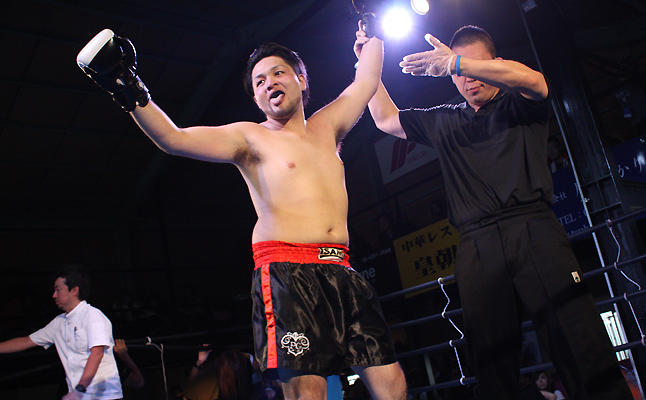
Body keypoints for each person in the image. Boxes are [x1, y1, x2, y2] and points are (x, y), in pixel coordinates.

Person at [76, 20, 406, 400]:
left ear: (301, 79)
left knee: (392, 385)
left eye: (278, 73)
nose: (269, 83)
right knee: (308, 393)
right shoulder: (251, 136)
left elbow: (366, 82)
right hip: (289, 273)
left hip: (342, 268)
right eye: (259, 82)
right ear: (256, 99)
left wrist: (373, 23)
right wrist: (127, 86)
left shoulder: (327, 126)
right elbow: (173, 138)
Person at [363, 25, 632, 399]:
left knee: (577, 339)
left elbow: (534, 80)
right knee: (490, 362)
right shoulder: (445, 119)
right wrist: (368, 62)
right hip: (476, 245)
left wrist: (457, 62)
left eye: (474, 66)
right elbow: (384, 118)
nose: (468, 77)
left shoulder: (519, 103)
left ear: (496, 63)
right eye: (459, 71)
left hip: (534, 229)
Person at [0, 266, 123, 400]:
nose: (54, 295)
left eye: (58, 290)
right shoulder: (59, 322)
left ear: (74, 290)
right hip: (78, 395)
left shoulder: (93, 316)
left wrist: (80, 388)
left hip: (104, 395)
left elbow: (97, 353)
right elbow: (26, 341)